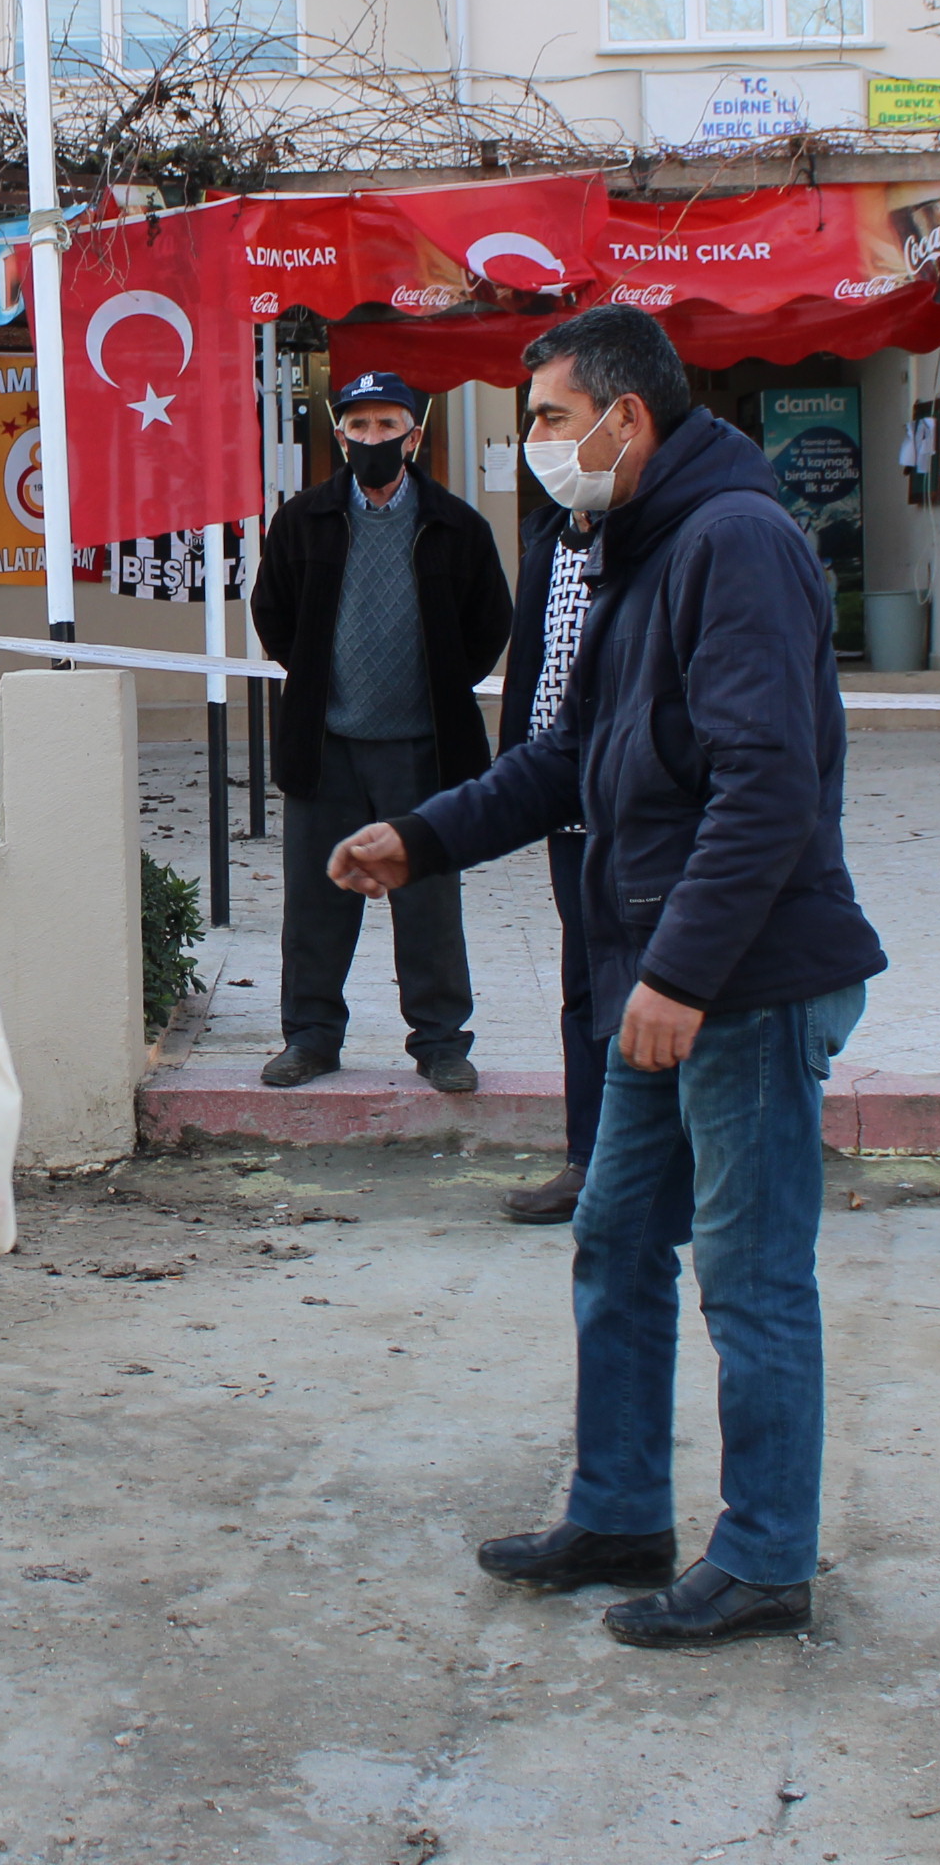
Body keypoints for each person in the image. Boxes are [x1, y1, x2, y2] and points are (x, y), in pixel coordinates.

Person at [329, 308, 883, 1649]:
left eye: (550, 420)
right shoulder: (633, 543)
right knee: (619, 1240)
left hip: (735, 985)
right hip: (657, 968)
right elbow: (569, 754)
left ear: (630, 417)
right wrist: (423, 836)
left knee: (750, 1277)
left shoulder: (734, 544)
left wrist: (683, 976)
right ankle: (623, 1509)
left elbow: (765, 791)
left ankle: (764, 1558)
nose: (534, 449)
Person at [245, 369, 511, 1094]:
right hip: (326, 747)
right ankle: (311, 1039)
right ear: (339, 437)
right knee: (314, 904)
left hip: (423, 747)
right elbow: (273, 613)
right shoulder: (303, 521)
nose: (372, 440)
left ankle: (441, 1043)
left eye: (387, 427)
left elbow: (490, 621)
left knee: (428, 904)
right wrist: (316, 682)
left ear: (414, 436)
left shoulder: (458, 526)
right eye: (359, 428)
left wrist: (442, 683)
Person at [488, 461, 606, 1225]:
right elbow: (529, 665)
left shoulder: (668, 541)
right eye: (537, 423)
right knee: (585, 986)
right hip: (564, 804)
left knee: (658, 983)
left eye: (561, 421)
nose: (544, 442)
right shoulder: (546, 539)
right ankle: (587, 1159)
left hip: (647, 807)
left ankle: (669, 1162)